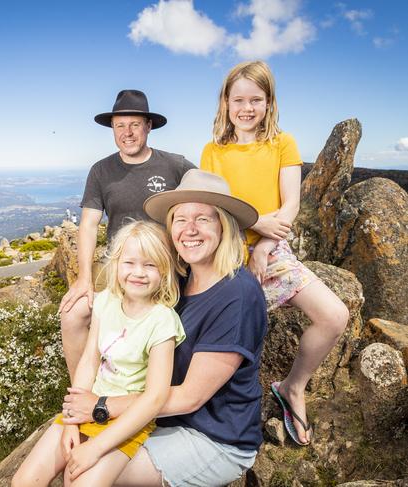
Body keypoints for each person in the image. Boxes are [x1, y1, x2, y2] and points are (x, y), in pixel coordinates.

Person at [63, 169, 268, 486]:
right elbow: (119, 307)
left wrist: (101, 407)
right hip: (163, 416)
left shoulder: (236, 295)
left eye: (203, 219)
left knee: (85, 470)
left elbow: (189, 398)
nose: (190, 229)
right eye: (180, 219)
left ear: (224, 226)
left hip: (213, 436)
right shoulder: (181, 275)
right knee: (77, 455)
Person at [200, 60, 349, 445]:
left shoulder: (283, 144)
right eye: (239, 100)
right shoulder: (212, 152)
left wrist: (266, 243)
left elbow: (291, 205)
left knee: (334, 315)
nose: (246, 108)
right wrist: (254, 229)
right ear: (225, 103)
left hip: (274, 248)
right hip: (227, 251)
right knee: (225, 335)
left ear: (269, 103)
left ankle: (292, 387)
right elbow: (214, 210)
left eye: (256, 99)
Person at [13, 221, 185, 486]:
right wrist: (71, 420)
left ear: (164, 271)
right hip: (85, 408)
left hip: (126, 424)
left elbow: (155, 397)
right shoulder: (106, 301)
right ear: (116, 264)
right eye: (130, 263)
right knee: (24, 481)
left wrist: (95, 447)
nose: (138, 272)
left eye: (150, 265)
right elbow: (89, 361)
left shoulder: (163, 321)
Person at [59, 89, 195, 379]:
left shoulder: (175, 165)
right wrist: (84, 278)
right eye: (120, 125)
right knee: (73, 315)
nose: (127, 132)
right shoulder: (101, 170)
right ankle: (82, 391)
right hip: (120, 265)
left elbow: (206, 198)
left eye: (135, 124)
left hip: (164, 266)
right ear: (112, 129)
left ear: (148, 126)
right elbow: (89, 224)